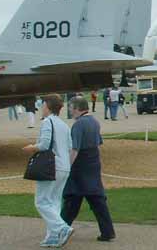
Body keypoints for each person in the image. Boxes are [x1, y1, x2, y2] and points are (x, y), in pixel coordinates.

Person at [22, 94, 74, 248]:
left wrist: (32, 147)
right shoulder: (64, 125)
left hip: (52, 166)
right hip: (64, 166)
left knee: (42, 201)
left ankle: (61, 228)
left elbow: (44, 145)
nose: (41, 107)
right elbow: (70, 146)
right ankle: (53, 236)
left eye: (43, 104)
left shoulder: (47, 122)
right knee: (54, 202)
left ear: (48, 106)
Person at [62, 97, 116, 242]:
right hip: (93, 163)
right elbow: (98, 144)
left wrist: (66, 167)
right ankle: (108, 231)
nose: (69, 110)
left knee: (71, 199)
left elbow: (74, 149)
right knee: (97, 200)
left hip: (80, 167)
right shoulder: (94, 122)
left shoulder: (78, 125)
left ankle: (60, 230)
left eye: (71, 107)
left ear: (77, 108)